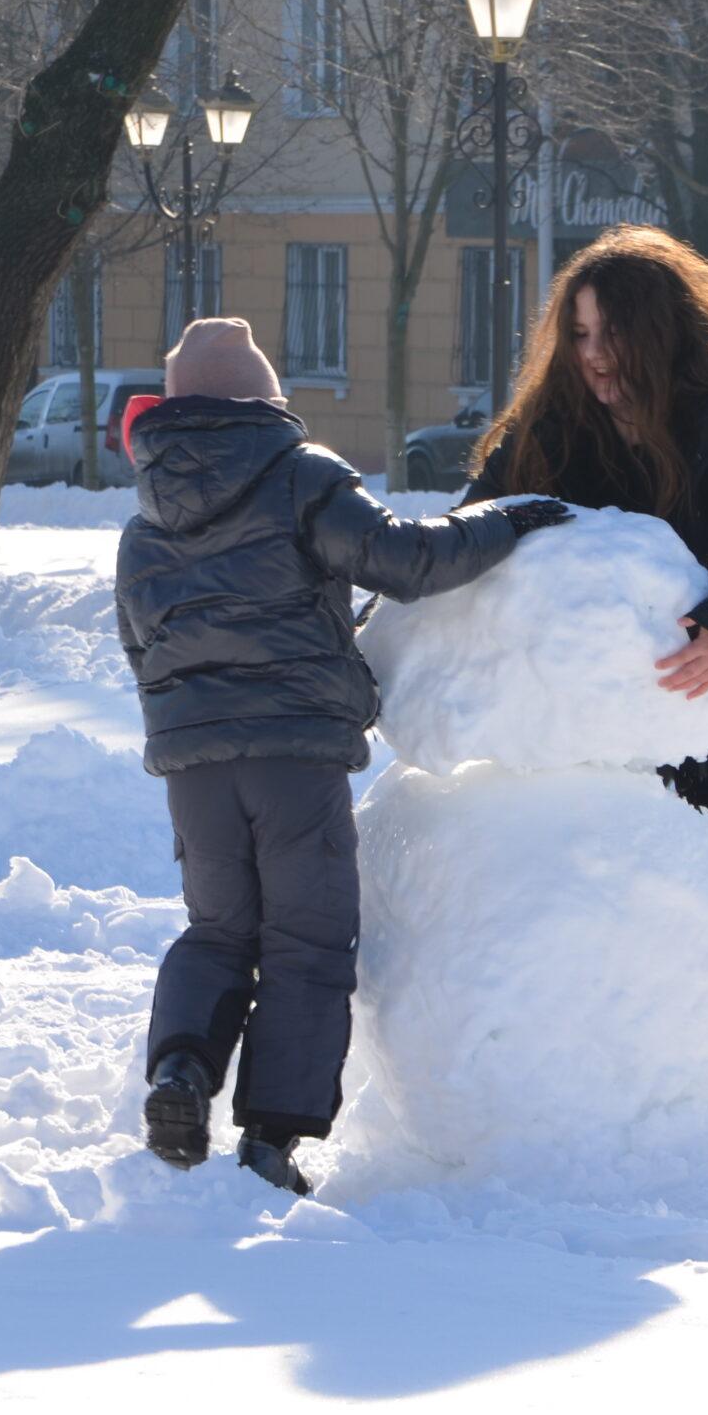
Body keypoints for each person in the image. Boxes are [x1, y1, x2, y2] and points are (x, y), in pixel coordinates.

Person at [118, 317, 571, 1194]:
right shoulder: (300, 477)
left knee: (218, 932)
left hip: (195, 767)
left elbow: (144, 650)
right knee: (307, 943)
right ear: (266, 401)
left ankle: (179, 1073)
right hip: (295, 759)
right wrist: (502, 521)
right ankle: (269, 1142)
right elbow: (405, 560)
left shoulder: (145, 520)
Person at [462, 226, 708, 1157]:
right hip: (618, 716)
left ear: (660, 333)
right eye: (578, 335)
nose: (592, 357)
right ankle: (654, 1087)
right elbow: (471, 531)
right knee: (637, 892)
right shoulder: (549, 427)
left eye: (611, 336)